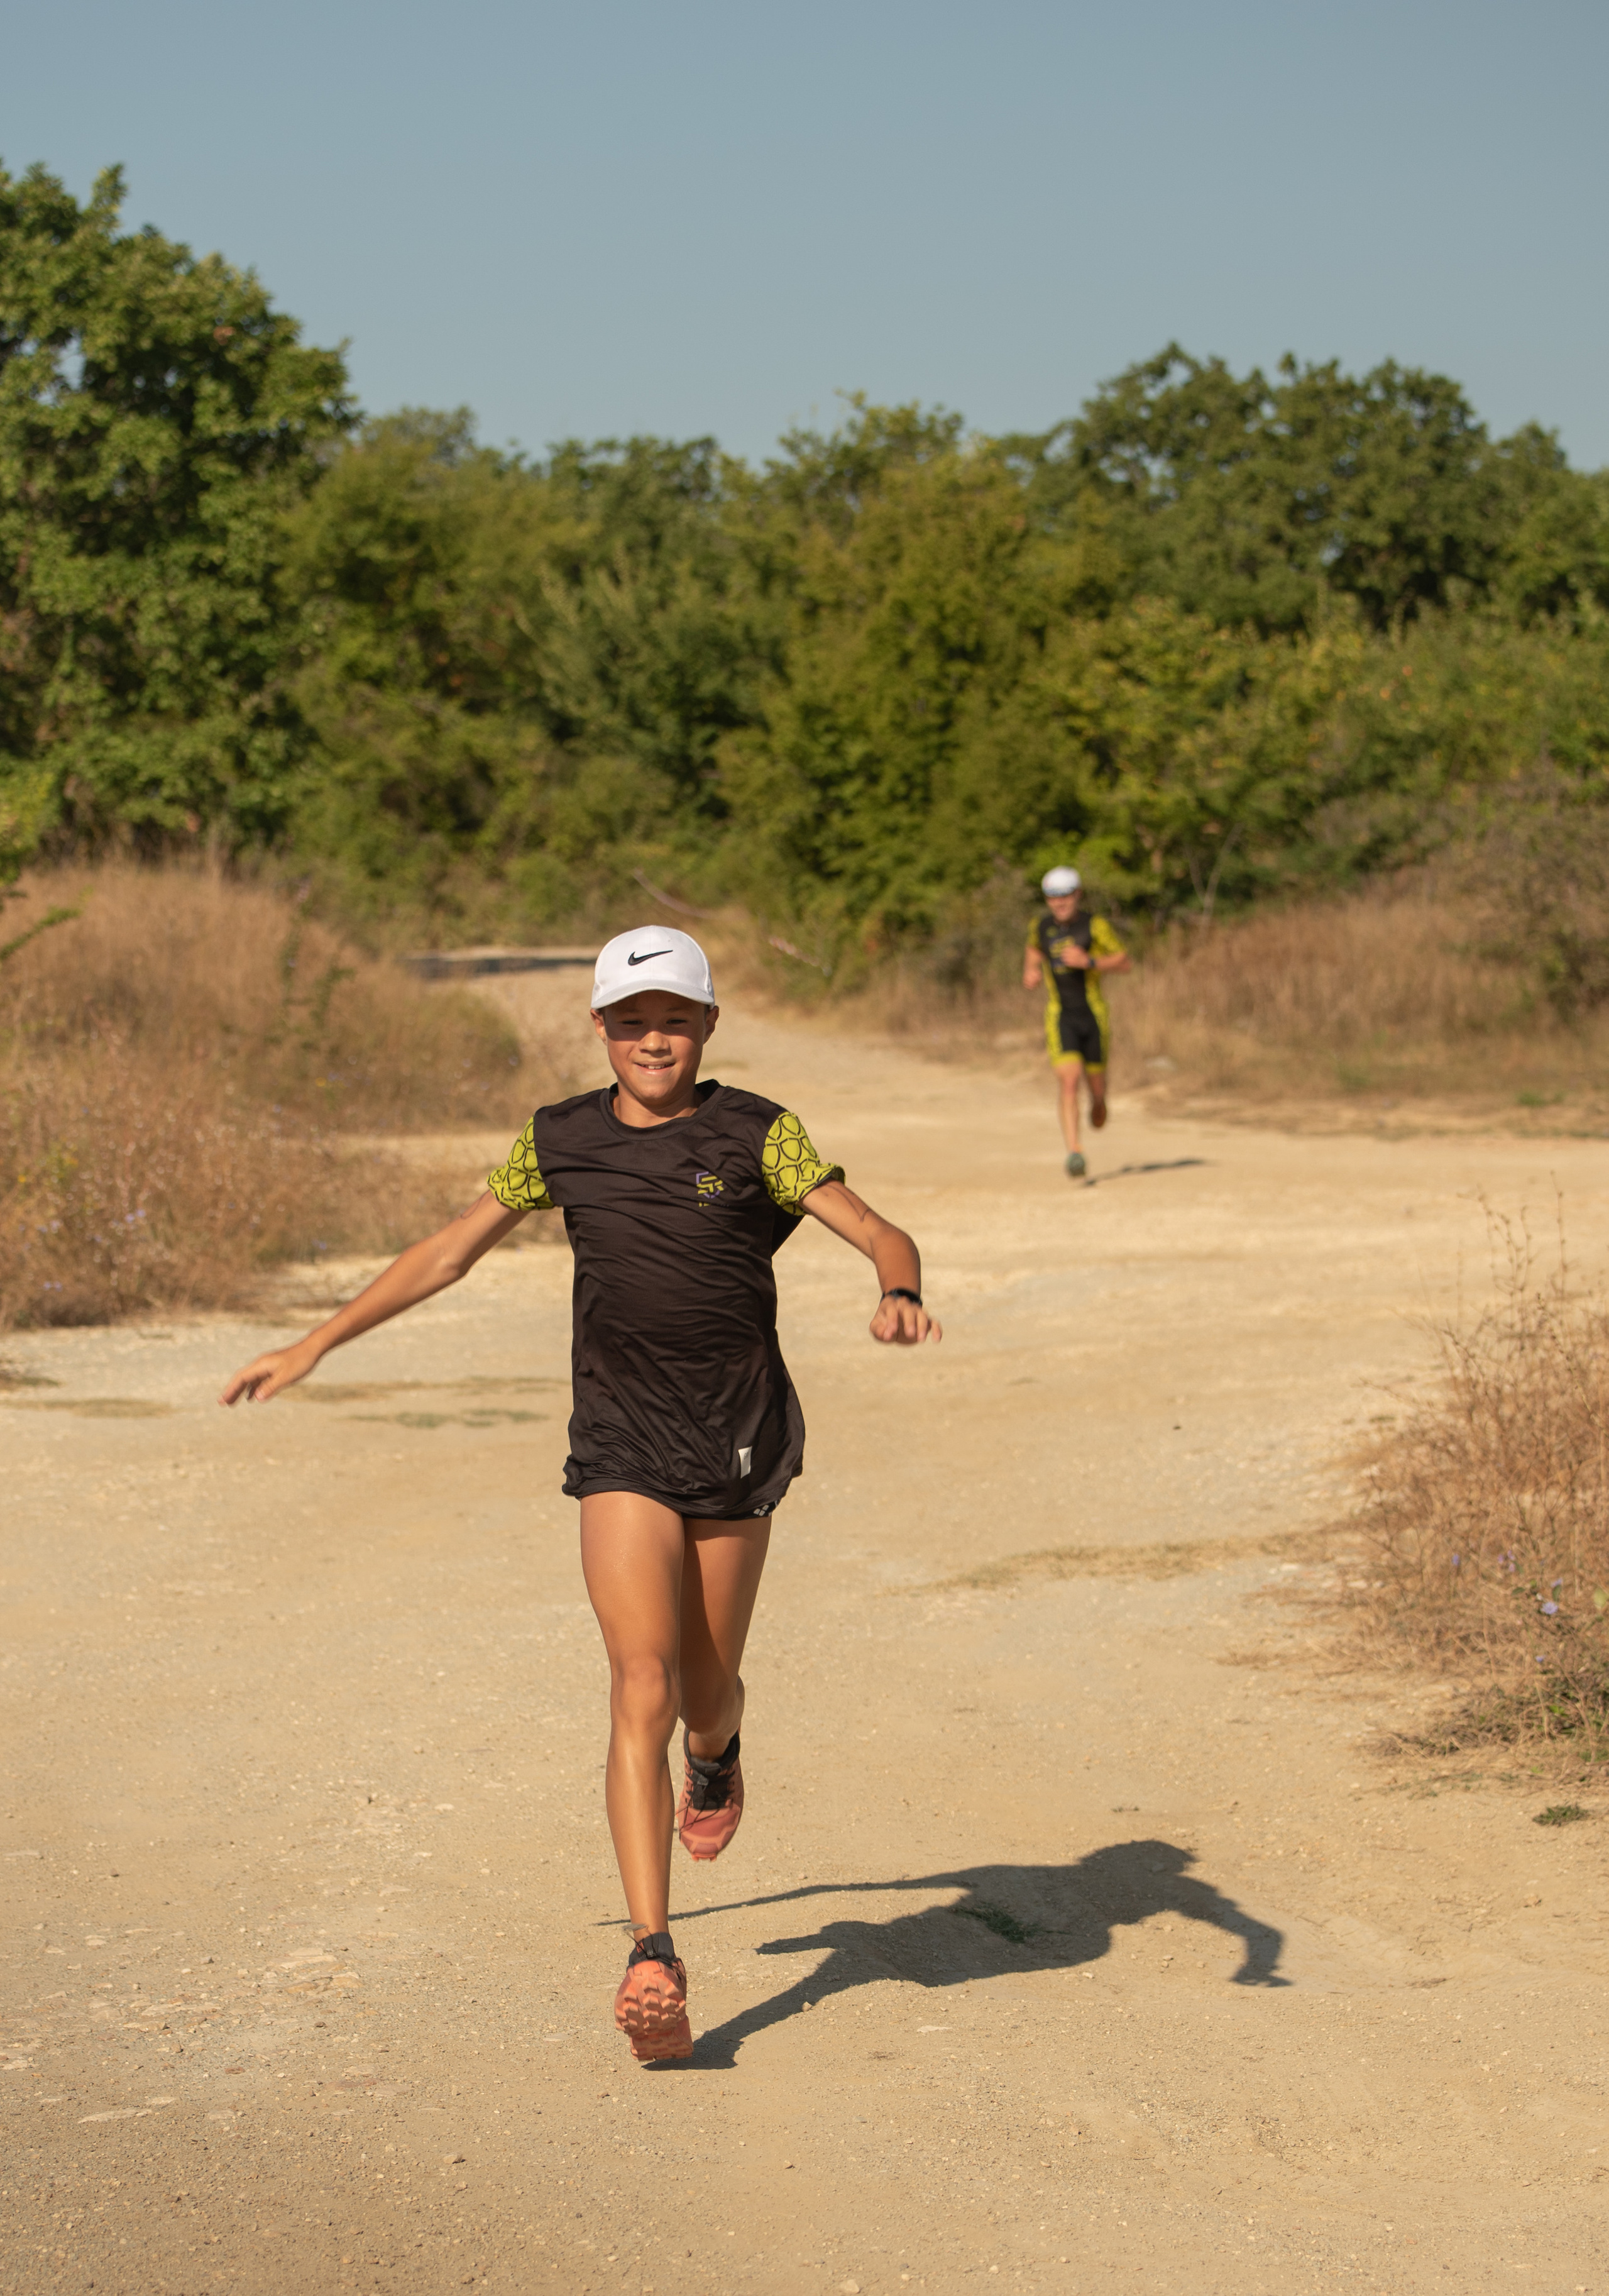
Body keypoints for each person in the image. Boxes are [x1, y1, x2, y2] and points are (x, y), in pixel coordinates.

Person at [219, 925, 940, 2067]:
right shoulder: (556, 1139)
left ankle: (719, 1750)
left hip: (737, 1436)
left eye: (674, 1020)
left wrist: (898, 1288)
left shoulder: (761, 1132)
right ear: (599, 1027)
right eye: (631, 1021)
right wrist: (313, 1344)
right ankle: (654, 1953)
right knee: (639, 1677)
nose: (653, 1040)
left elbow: (878, 1228)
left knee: (704, 1688)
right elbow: (447, 1253)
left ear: (708, 1026)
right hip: (620, 1442)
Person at [1022, 865, 1131, 1178]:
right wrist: (1030, 971)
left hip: (1093, 1015)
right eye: (1053, 897)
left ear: (1078, 895)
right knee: (1069, 1081)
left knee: (1096, 1091)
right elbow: (1033, 950)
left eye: (1066, 896)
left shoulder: (1094, 926)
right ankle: (1074, 1151)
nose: (1060, 903)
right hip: (1060, 1016)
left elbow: (1124, 962)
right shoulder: (1040, 926)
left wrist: (1090, 961)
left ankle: (1099, 1100)